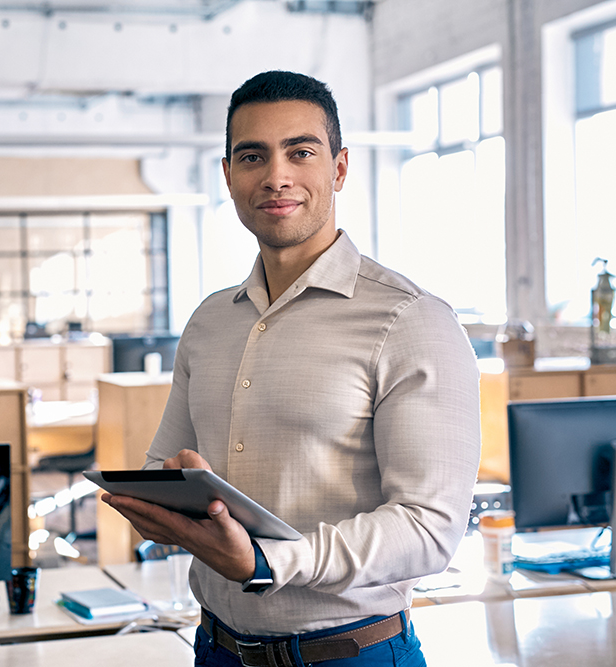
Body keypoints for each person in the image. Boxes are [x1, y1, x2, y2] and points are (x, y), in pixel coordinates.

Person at [102, 70, 481, 666]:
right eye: (253, 156)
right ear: (229, 176)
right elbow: (162, 465)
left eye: (300, 152)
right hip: (218, 648)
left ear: (339, 167)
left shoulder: (410, 320)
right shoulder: (209, 322)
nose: (276, 176)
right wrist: (167, 506)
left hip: (351, 655)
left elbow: (429, 528)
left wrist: (266, 561)